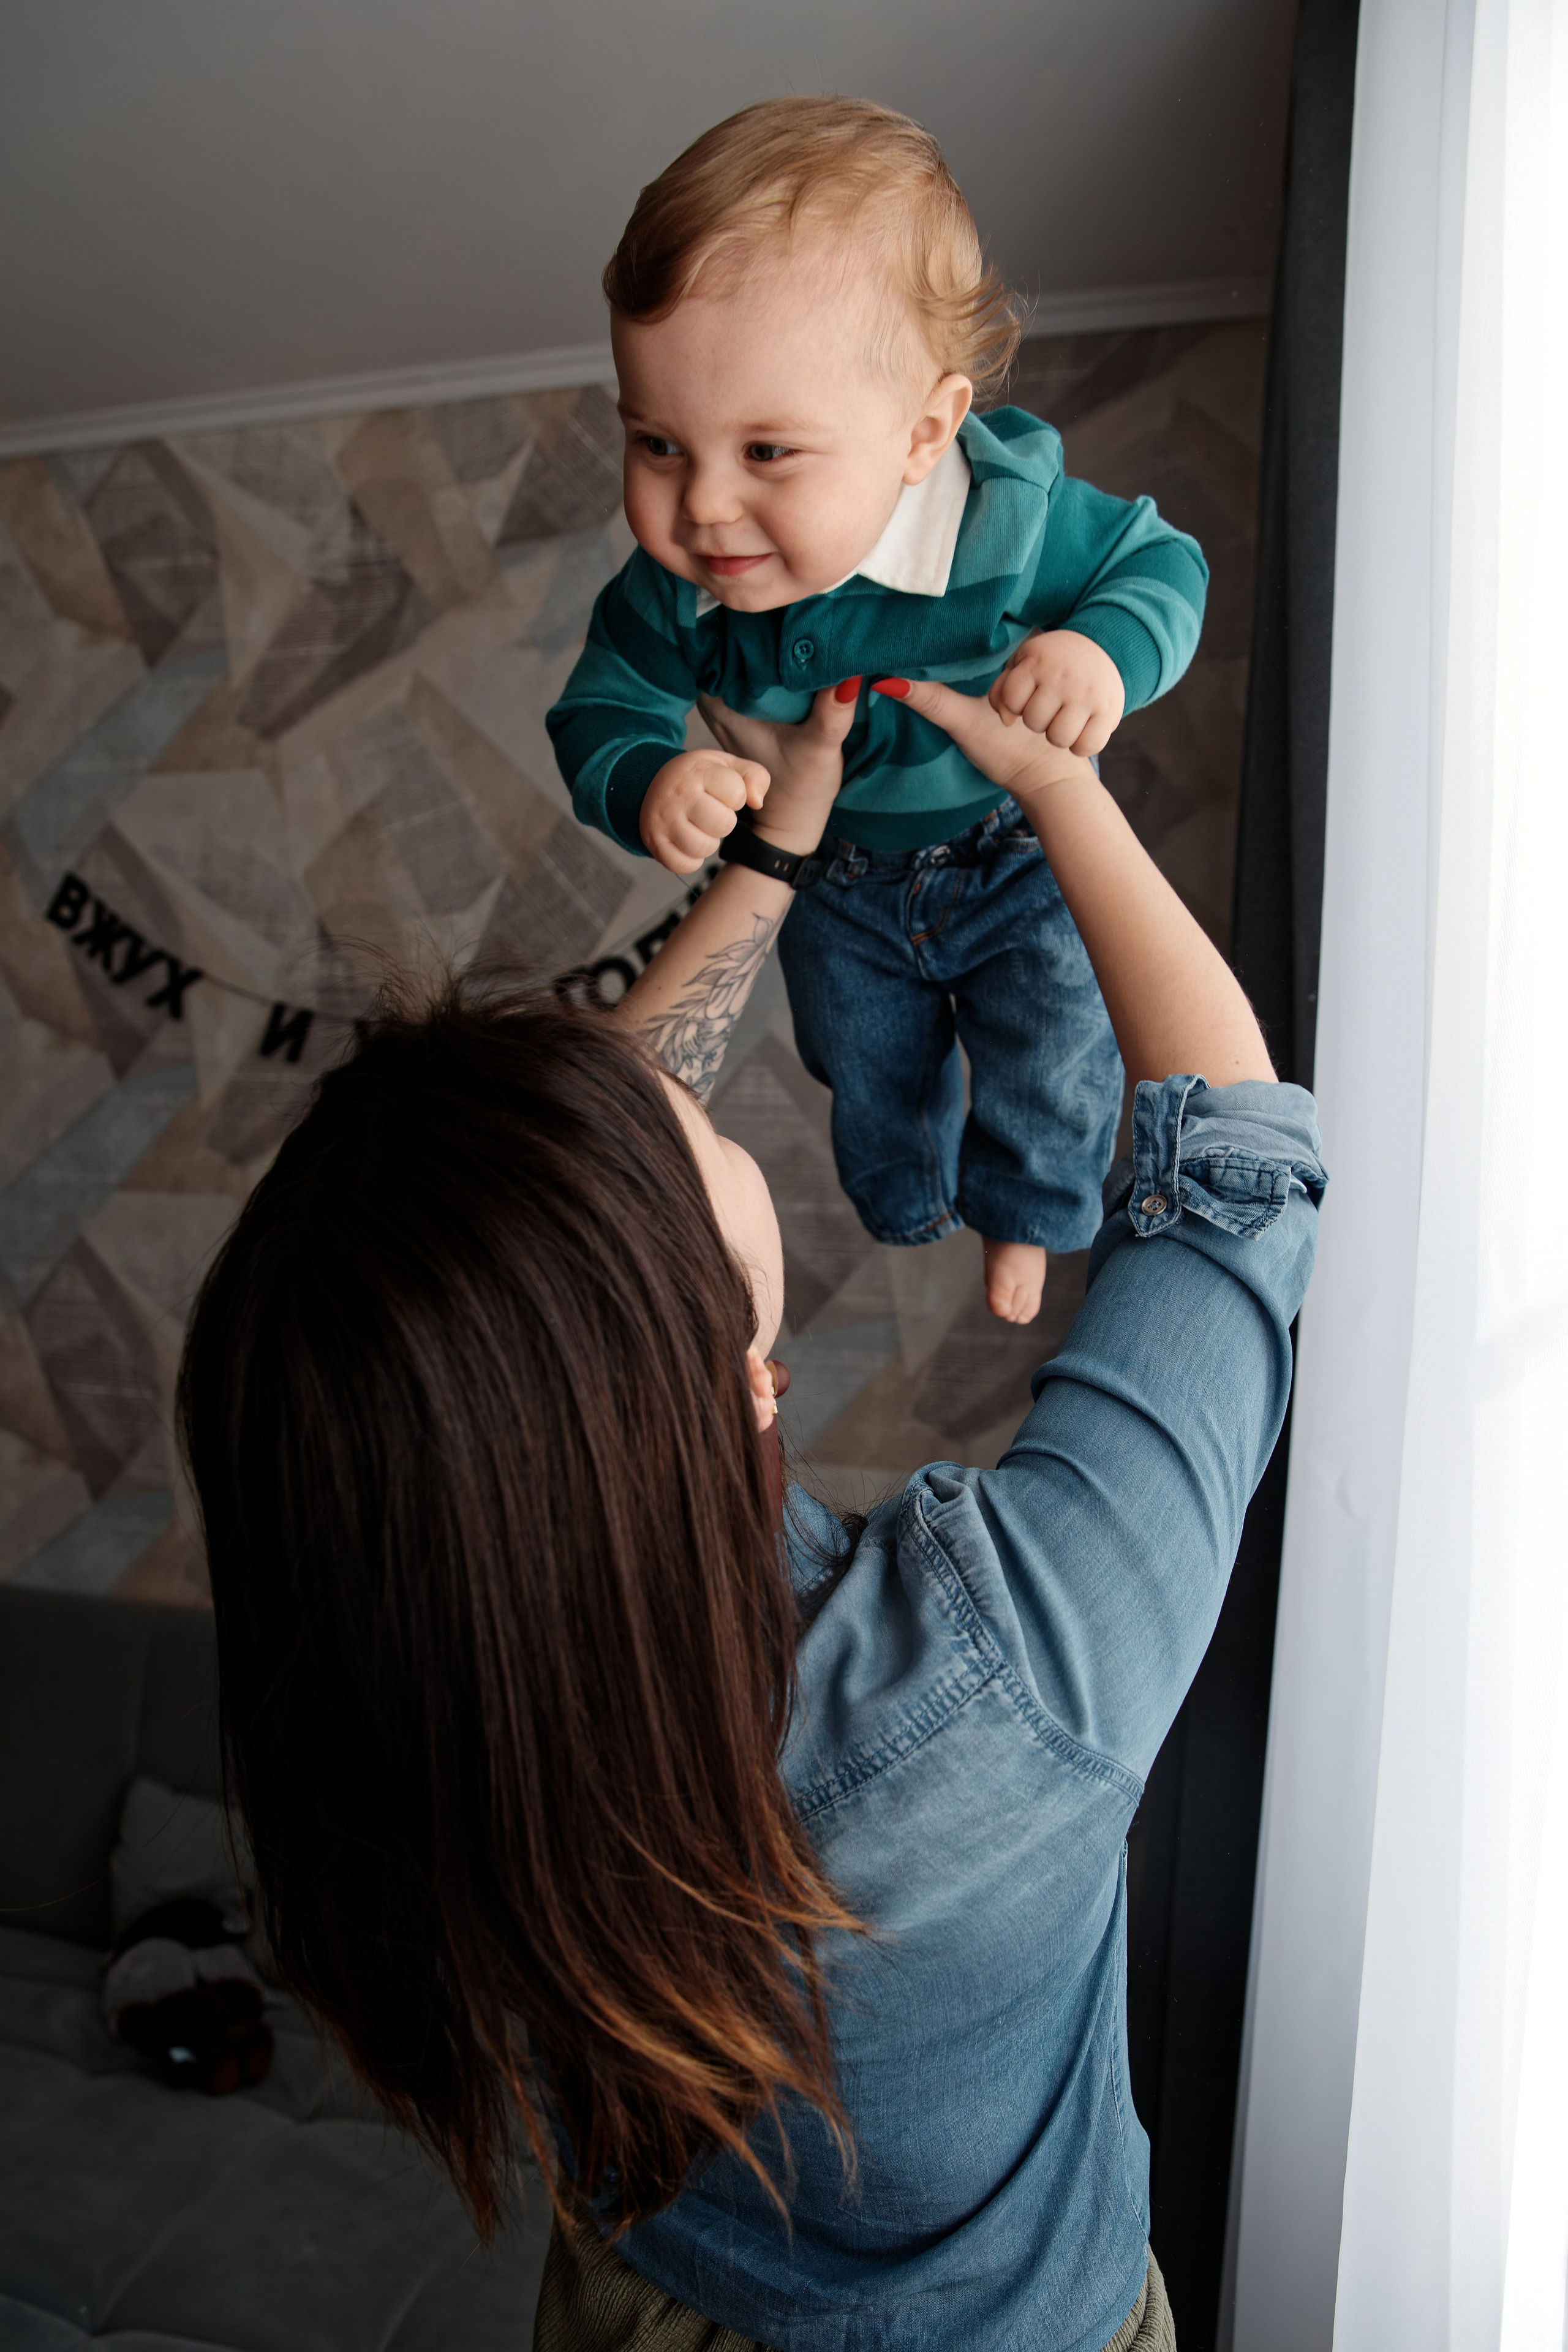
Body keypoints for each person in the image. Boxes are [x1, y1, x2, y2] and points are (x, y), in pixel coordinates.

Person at [177, 674, 1324, 2352]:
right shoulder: (1009, 1671)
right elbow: (1234, 1179)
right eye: (692, 1132)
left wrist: (783, 838)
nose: (683, 1095)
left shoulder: (386, 1681)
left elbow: (557, 1281)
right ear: (730, 1374)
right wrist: (1056, 785)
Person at [546, 96, 1210, 1329]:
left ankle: (1029, 1212)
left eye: (767, 453)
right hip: (835, 875)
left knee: (1051, 1045)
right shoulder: (677, 596)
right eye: (658, 445)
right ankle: (904, 1197)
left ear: (922, 434)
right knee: (861, 1057)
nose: (704, 507)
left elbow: (1161, 566)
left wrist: (1100, 654)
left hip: (1010, 845)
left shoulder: (1007, 523)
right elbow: (599, 707)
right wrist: (647, 778)